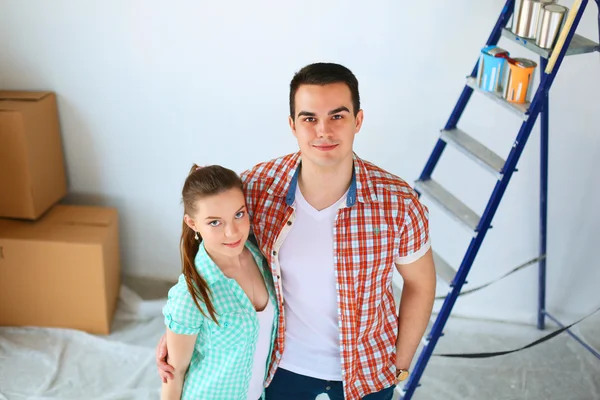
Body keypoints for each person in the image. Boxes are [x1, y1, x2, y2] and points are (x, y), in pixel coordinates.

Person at [157, 63, 437, 400]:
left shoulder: (398, 202)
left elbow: (420, 283)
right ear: (292, 125)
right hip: (278, 370)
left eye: (338, 116)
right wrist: (181, 329)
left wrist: (400, 363)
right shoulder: (258, 188)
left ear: (358, 121)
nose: (323, 131)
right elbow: (212, 232)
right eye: (309, 118)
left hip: (367, 372)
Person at [160, 164, 278, 400]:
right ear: (193, 224)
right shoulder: (191, 294)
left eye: (239, 214)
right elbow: (175, 373)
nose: (232, 232)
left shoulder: (262, 256)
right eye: (215, 222)